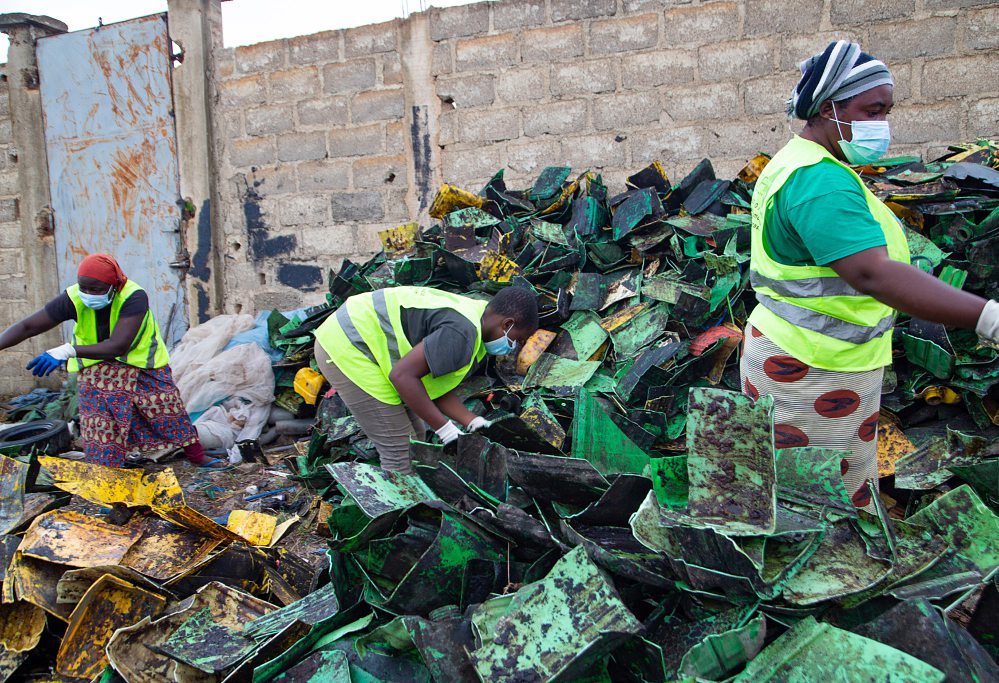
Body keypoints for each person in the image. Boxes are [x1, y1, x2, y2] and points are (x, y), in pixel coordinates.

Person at [741, 40, 999, 510]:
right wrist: (987, 317)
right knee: (820, 502)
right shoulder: (820, 180)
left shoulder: (802, 162)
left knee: (814, 487)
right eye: (872, 110)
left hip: (809, 353)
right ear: (827, 108)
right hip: (813, 368)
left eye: (886, 112)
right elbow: (871, 274)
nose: (881, 125)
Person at [0, 253, 218, 468]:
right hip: (96, 366)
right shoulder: (73, 298)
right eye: (83, 287)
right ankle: (106, 475)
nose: (88, 294)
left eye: (96, 290)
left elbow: (118, 345)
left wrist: (68, 350)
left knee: (167, 410)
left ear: (115, 285)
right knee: (99, 425)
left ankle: (197, 455)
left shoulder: (133, 296)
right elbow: (27, 326)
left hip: (141, 364)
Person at [314, 285, 539, 474]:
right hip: (349, 344)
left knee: (417, 440)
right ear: (507, 324)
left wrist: (472, 421)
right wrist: (446, 430)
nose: (514, 348)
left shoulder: (478, 324)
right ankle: (395, 518)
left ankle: (411, 504)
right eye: (518, 340)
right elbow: (402, 377)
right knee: (399, 451)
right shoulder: (462, 333)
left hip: (363, 341)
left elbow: (434, 385)